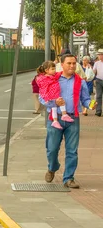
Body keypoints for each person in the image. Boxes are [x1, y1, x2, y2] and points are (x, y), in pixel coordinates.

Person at [40, 54, 91, 189]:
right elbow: (42, 97)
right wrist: (53, 102)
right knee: (51, 149)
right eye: (69, 63)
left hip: (72, 118)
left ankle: (68, 178)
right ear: (61, 65)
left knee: (72, 151)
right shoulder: (52, 79)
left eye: (74, 63)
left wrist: (90, 104)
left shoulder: (80, 81)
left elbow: (85, 99)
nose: (72, 66)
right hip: (55, 119)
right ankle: (52, 167)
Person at [37, 61, 75, 130]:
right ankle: (63, 115)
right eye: (52, 69)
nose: (54, 70)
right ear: (46, 70)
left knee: (54, 108)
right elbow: (43, 89)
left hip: (55, 94)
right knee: (61, 102)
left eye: (55, 69)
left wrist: (62, 72)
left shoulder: (53, 76)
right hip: (51, 95)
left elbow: (58, 74)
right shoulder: (44, 79)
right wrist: (46, 98)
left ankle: (56, 120)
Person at [92, 50, 103, 117]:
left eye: (100, 54)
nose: (98, 56)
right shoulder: (97, 63)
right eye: (98, 54)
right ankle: (98, 111)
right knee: (98, 96)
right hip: (99, 80)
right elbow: (94, 71)